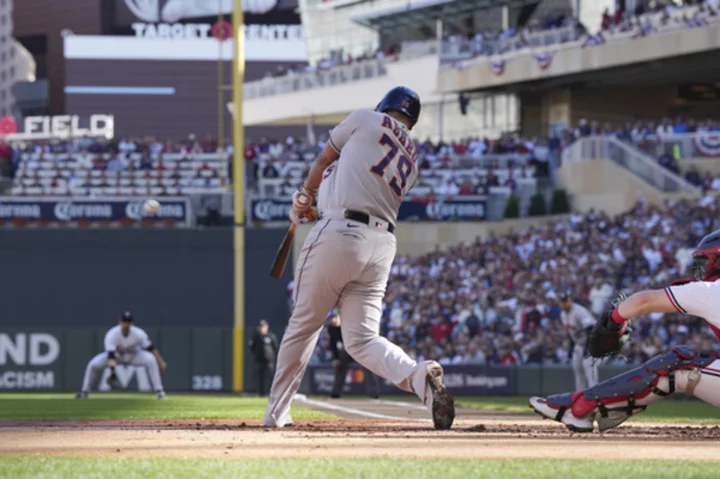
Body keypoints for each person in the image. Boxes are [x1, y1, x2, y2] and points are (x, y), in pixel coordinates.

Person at [263, 86, 455, 430]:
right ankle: (418, 377)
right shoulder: (412, 159)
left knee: (304, 324)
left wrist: (305, 197)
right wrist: (308, 205)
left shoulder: (365, 118)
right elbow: (349, 179)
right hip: (380, 245)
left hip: (341, 232)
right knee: (363, 339)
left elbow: (324, 162)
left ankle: (276, 414)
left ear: (384, 106)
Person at [530, 230, 720, 433]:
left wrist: (614, 320)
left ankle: (580, 408)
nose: (702, 269)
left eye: (705, 261)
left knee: (680, 365)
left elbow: (642, 302)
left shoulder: (712, 290)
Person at [76, 311, 167, 399]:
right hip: (117, 357)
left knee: (151, 359)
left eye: (128, 321)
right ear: (120, 322)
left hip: (134, 356)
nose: (126, 324)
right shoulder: (112, 334)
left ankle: (159, 390)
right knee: (93, 364)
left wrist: (161, 361)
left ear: (131, 323)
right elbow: (111, 356)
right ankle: (84, 391)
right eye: (124, 321)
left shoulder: (139, 333)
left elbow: (151, 348)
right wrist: (112, 372)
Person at [327, 312, 380, 399]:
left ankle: (373, 394)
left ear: (338, 316)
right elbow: (333, 343)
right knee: (340, 368)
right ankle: (335, 393)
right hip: (348, 349)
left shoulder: (348, 323)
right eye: (329, 319)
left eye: (333, 318)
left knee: (368, 368)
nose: (332, 321)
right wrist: (336, 358)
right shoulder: (331, 328)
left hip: (360, 347)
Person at [559, 293, 599, 390]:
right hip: (580, 343)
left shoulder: (579, 311)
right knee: (577, 367)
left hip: (593, 341)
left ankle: (594, 394)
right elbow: (571, 332)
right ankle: (580, 395)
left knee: (588, 366)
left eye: (566, 301)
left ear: (570, 301)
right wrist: (571, 348)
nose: (565, 304)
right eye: (562, 302)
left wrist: (588, 349)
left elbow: (591, 328)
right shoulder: (563, 314)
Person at [249, 320, 279, 396]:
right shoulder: (256, 337)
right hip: (260, 360)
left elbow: (275, 347)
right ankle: (261, 393)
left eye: (263, 327)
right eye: (260, 327)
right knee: (260, 377)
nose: (262, 328)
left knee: (271, 377)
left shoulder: (271, 336)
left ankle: (272, 393)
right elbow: (252, 348)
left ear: (266, 327)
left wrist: (271, 356)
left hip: (269, 361)